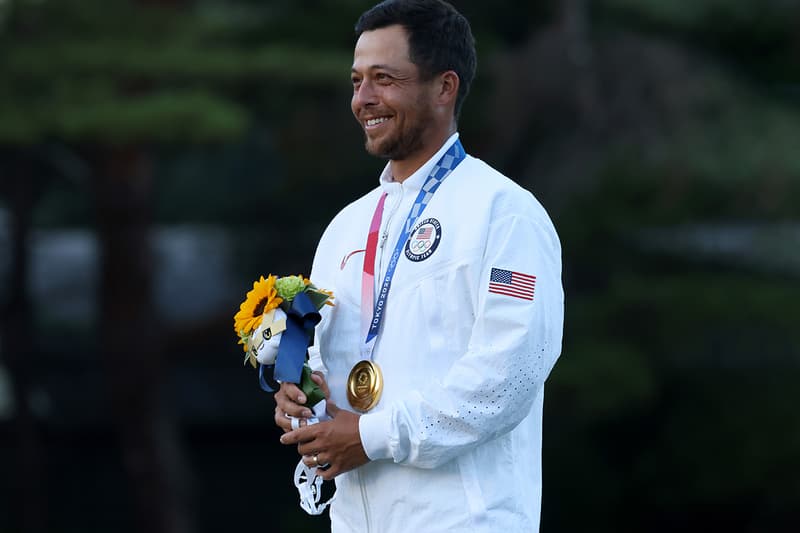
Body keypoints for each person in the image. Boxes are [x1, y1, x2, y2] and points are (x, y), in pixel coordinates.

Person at [275, 0, 564, 531]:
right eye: (357, 81)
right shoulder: (344, 227)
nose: (364, 99)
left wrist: (371, 437)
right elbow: (317, 354)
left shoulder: (504, 213)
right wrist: (299, 393)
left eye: (384, 79)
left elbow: (507, 377)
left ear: (444, 87)